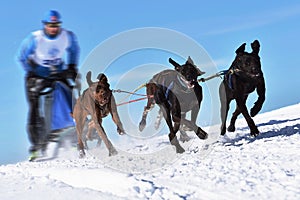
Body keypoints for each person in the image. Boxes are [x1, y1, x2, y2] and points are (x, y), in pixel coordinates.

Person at [17, 10, 80, 161]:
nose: (54, 28)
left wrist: (71, 66)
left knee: (70, 98)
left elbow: (74, 49)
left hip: (57, 71)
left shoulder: (67, 36)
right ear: (45, 25)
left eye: (56, 25)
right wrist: (33, 71)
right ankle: (37, 146)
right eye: (51, 25)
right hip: (37, 74)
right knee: (34, 107)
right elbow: (21, 58)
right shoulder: (35, 38)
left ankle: (73, 136)